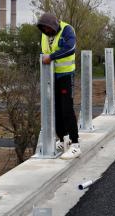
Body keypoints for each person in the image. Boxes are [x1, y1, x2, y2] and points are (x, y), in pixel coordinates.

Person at [37, 13, 81, 160]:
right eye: (44, 29)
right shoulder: (44, 35)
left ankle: (75, 144)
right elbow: (43, 53)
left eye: (49, 29)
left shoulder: (67, 29)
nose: (47, 32)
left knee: (66, 109)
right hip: (51, 77)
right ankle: (62, 140)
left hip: (65, 76)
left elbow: (71, 47)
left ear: (54, 25)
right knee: (55, 110)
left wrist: (52, 57)